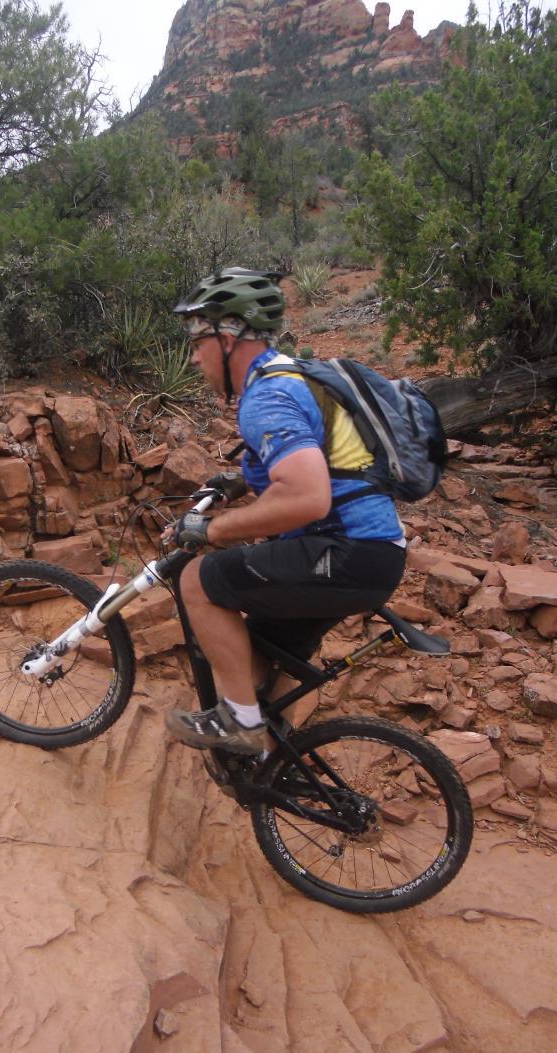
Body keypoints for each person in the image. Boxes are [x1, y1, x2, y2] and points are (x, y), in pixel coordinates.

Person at [164, 266, 407, 755]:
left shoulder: (267, 396)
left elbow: (306, 497)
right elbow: (319, 467)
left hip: (346, 552)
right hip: (373, 553)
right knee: (262, 656)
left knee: (197, 580)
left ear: (228, 335)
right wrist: (239, 481)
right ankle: (276, 771)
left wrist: (212, 531)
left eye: (197, 339)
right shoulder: (289, 375)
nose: (193, 357)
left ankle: (240, 723)